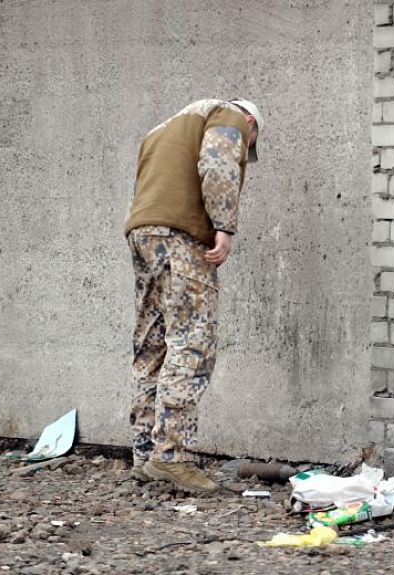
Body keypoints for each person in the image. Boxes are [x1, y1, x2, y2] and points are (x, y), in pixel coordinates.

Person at [124, 98, 263, 493]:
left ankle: (145, 454)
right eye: (250, 142)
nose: (245, 148)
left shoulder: (161, 130)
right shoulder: (229, 114)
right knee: (193, 342)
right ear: (251, 121)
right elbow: (218, 163)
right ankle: (173, 457)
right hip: (180, 239)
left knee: (151, 346)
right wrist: (224, 226)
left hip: (143, 232)